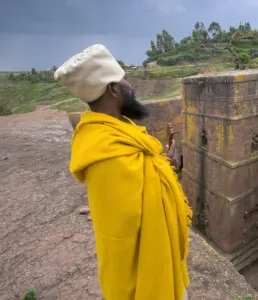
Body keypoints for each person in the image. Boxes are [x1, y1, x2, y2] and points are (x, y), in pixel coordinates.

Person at [54, 44, 192, 300]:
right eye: (125, 81)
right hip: (141, 272)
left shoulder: (117, 131)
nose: (132, 87)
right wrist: (161, 166)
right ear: (113, 89)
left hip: (155, 254)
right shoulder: (104, 150)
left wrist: (163, 162)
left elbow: (141, 177)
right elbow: (132, 218)